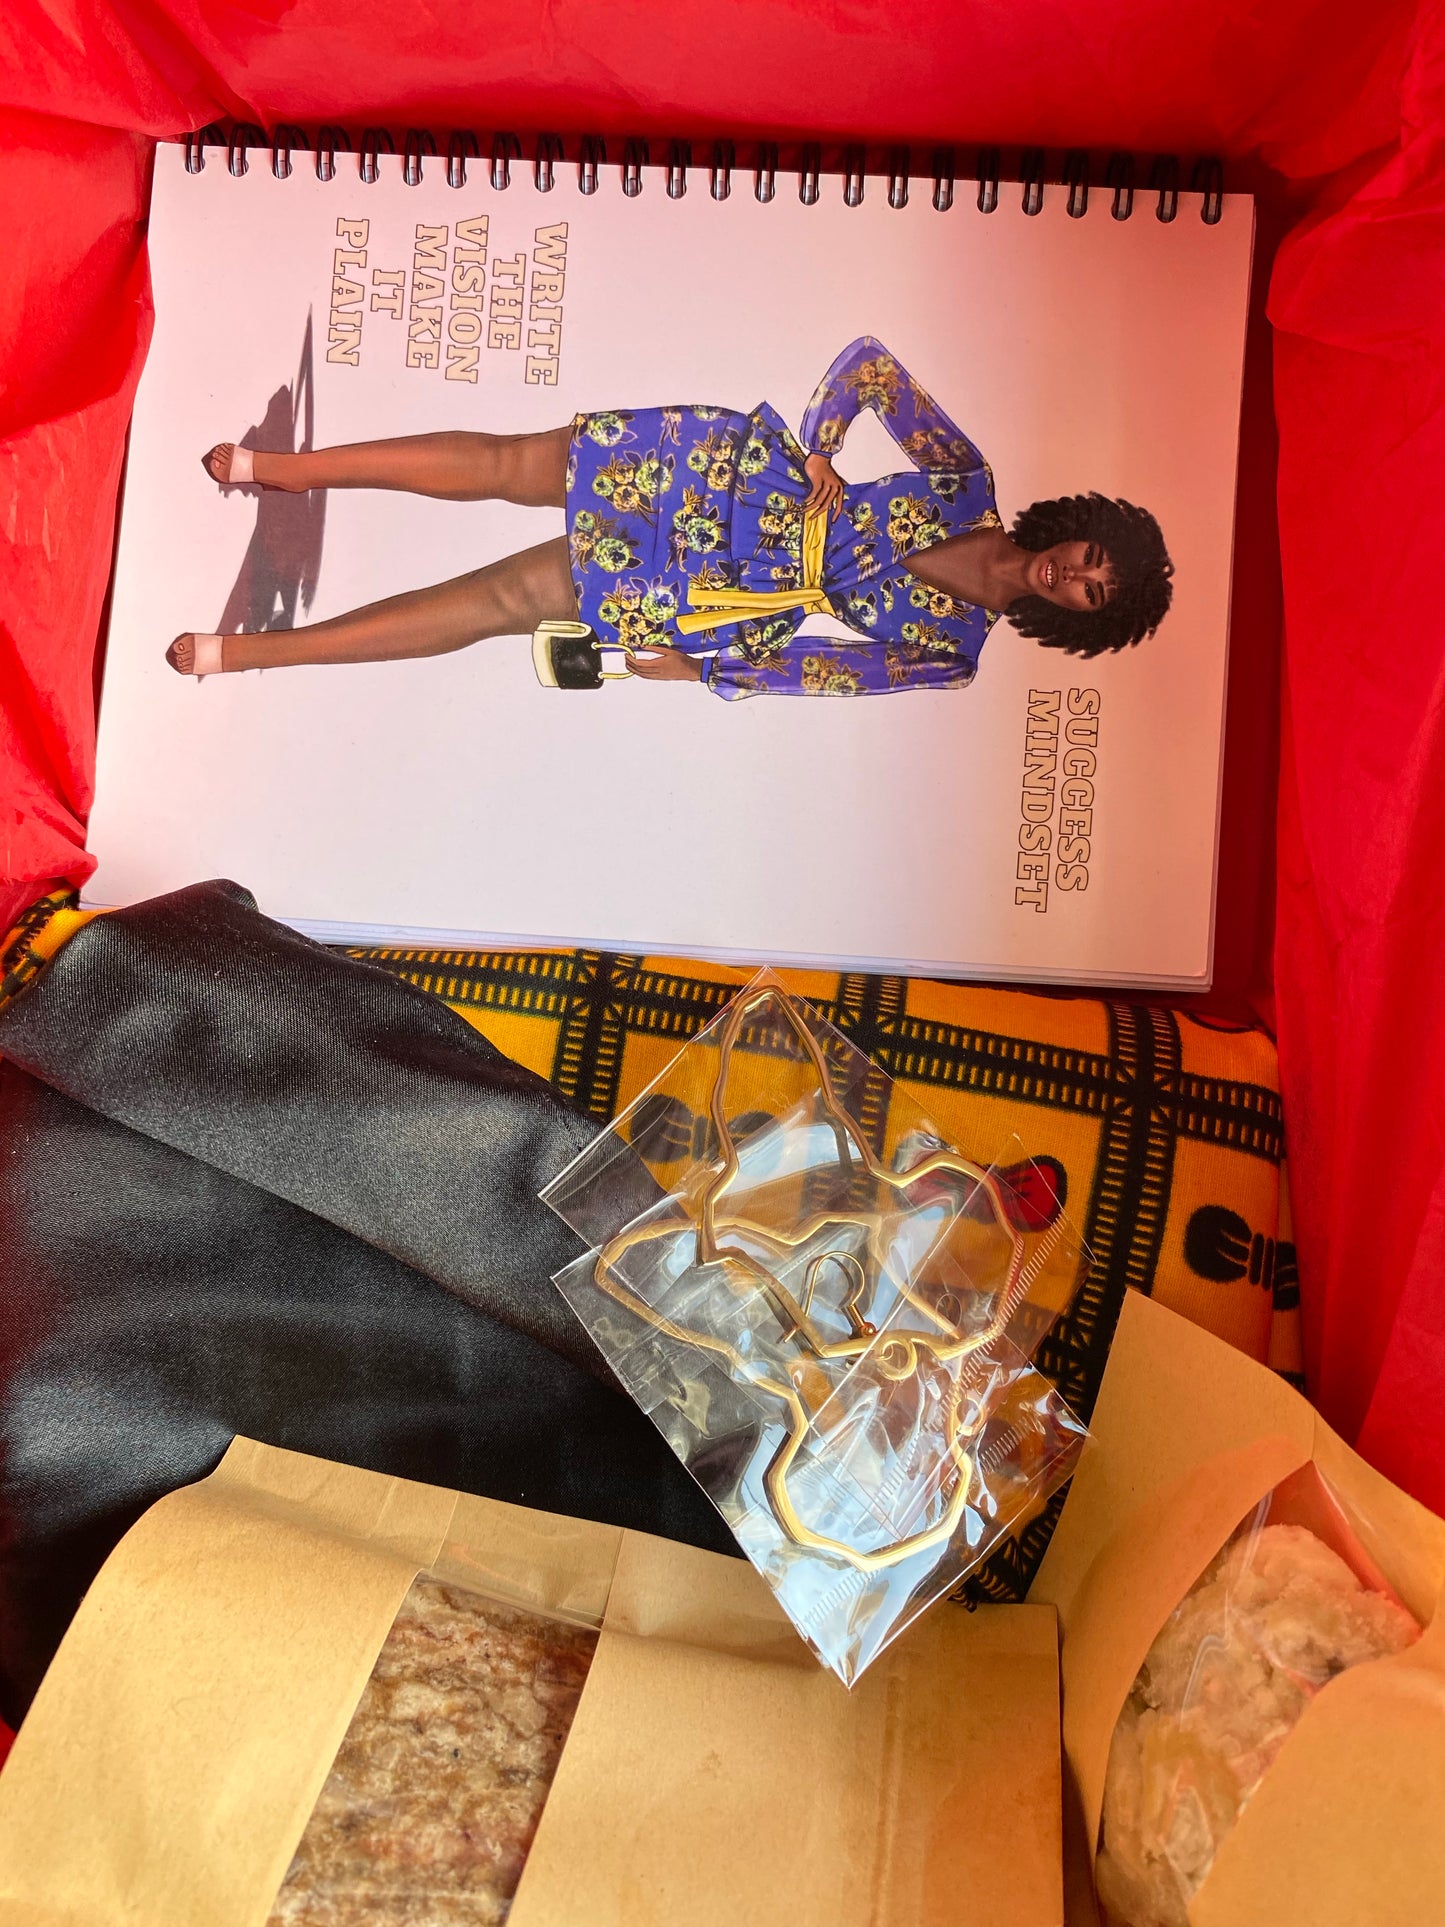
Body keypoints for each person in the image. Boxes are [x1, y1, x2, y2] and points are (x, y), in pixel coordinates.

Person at [168, 337, 1173, 696]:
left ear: (1079, 619)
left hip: (726, 593)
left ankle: (250, 655)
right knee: (508, 461)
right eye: (1090, 556)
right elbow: (869, 369)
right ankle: (283, 468)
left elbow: (825, 674)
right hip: (729, 478)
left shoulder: (952, 653)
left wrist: (705, 671)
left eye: (1092, 594)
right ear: (1078, 526)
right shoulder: (964, 480)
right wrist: (822, 445)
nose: (1072, 575)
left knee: (493, 606)